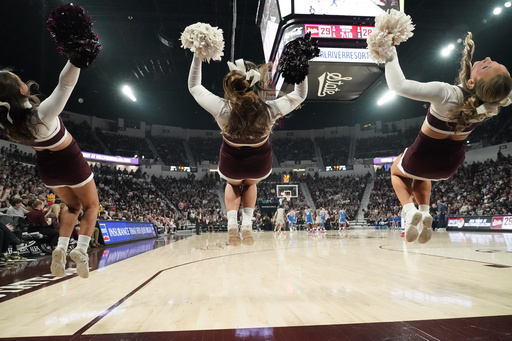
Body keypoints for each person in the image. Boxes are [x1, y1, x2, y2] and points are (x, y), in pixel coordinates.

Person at [385, 32, 512, 243]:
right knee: (423, 176)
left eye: (488, 66)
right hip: (449, 165)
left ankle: (408, 211)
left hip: (421, 156)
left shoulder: (446, 93)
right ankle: (425, 213)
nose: (488, 59)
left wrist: (388, 49)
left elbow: (398, 85)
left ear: (472, 83)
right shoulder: (492, 104)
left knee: (395, 172)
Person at [0, 33, 100, 277]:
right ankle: (82, 249)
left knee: (72, 206)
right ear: (22, 89)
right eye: (20, 79)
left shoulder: (9, 124)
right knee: (92, 206)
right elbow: (65, 84)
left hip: (47, 169)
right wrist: (76, 57)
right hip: (70, 159)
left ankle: (61, 247)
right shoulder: (42, 114)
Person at [188, 56, 307, 246]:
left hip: (230, 161)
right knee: (251, 184)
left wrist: (198, 56)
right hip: (260, 163)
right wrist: (300, 70)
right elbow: (299, 95)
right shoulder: (269, 109)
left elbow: (194, 87)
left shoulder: (222, 108)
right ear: (258, 83)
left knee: (233, 184)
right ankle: (247, 224)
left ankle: (232, 224)